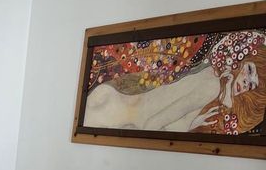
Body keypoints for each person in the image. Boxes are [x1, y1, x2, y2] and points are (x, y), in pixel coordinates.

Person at [83, 31, 266, 135]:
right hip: (117, 117)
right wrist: (190, 125)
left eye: (252, 85)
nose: (246, 83)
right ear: (243, 58)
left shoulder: (213, 77)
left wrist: (192, 123)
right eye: (250, 71)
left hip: (115, 107)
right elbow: (151, 125)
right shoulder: (212, 86)